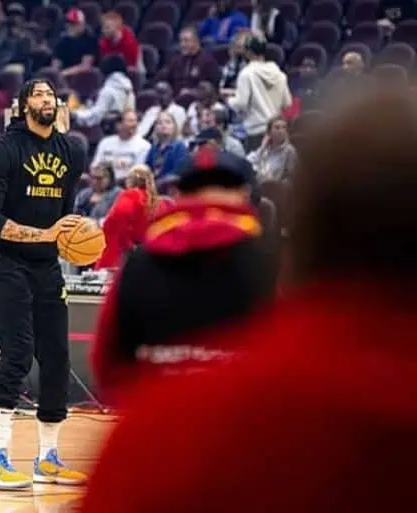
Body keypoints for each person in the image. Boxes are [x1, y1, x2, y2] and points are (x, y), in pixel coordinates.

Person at [81, 87, 417, 513]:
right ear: (246, 193)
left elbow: (108, 367)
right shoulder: (268, 258)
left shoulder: (142, 264)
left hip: (175, 440)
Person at [91, 148, 273, 404]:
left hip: (158, 420)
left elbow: (106, 362)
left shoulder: (140, 264)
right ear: (244, 194)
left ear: (178, 195)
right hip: (239, 424)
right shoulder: (270, 263)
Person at [0, 78, 87, 489]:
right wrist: (45, 235)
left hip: (45, 264)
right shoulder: (3, 150)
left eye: (51, 95)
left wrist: (75, 239)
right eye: (39, 94)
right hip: (2, 258)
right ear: (24, 106)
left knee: (57, 356)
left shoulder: (70, 151)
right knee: (18, 351)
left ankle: (49, 457)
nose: (47, 99)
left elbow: (67, 214)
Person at [94, 164, 168, 270]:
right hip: (151, 260)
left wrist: (128, 245)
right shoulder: (160, 203)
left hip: (119, 259)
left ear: (130, 180)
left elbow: (113, 223)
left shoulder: (130, 196)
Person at [227, 34, 291, 151]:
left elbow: (241, 104)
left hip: (256, 132)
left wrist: (229, 100)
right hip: (277, 131)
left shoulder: (247, 74)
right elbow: (287, 103)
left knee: (257, 168)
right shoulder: (280, 74)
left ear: (248, 52)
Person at [90, 109, 150, 181]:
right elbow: (95, 166)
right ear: (118, 125)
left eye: (136, 121)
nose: (135, 124)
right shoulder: (105, 142)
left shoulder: (144, 146)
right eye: (130, 121)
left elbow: (137, 174)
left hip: (125, 185)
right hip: (101, 182)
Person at [247, 117, 296, 183]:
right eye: (277, 128)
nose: (281, 131)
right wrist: (262, 147)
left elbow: (291, 176)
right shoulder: (265, 148)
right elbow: (250, 162)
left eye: (284, 127)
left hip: (276, 188)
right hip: (258, 186)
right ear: (269, 132)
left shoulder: (289, 151)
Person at [53, 8, 99, 76]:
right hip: (64, 77)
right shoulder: (61, 42)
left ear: (82, 24)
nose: (71, 26)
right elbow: (55, 65)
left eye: (75, 24)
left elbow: (85, 66)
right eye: (69, 23)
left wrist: (63, 73)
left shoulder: (90, 40)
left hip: (83, 77)